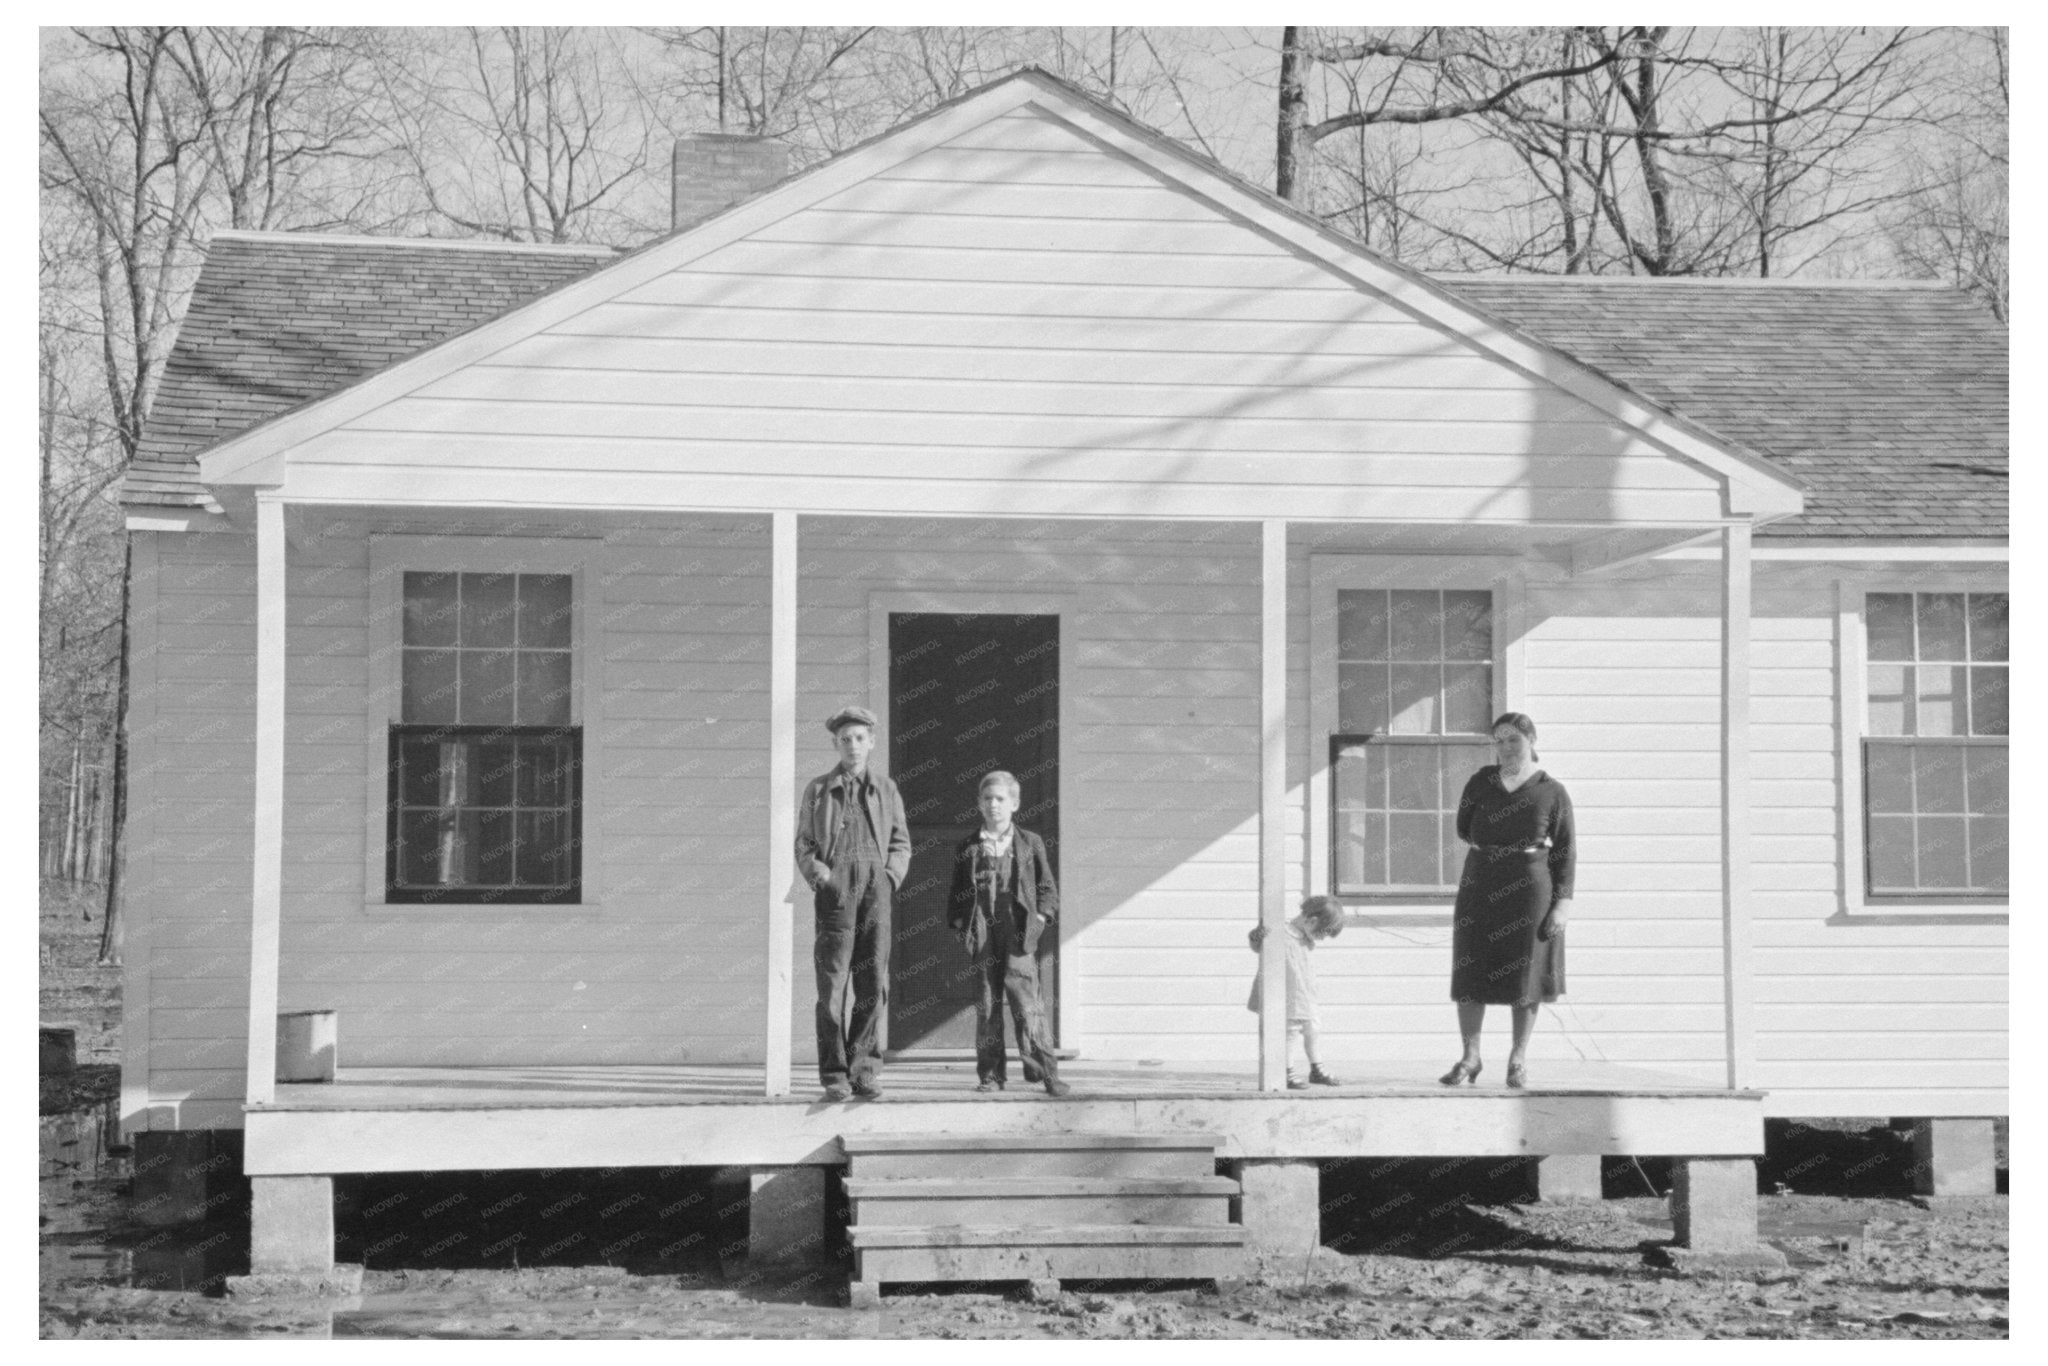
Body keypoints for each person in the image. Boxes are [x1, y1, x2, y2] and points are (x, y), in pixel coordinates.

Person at [1442, 712, 1575, 1090]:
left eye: (1513, 740)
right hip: (1480, 880)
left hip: (1531, 887)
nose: (1505, 748)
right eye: (1499, 741)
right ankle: (1470, 1056)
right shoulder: (1480, 783)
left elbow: (1565, 850)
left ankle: (1517, 1059)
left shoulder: (1552, 791)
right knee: (1471, 967)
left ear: (1531, 740)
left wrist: (1562, 903)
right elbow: (1464, 828)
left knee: (1526, 971)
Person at [795, 706, 911, 1102]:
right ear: (835, 744)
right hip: (836, 894)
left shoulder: (886, 788)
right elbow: (805, 844)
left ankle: (864, 1070)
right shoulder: (818, 789)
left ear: (871, 742)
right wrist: (821, 876)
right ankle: (833, 1074)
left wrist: (891, 875)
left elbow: (900, 841)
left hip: (875, 890)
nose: (853, 746)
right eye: (845, 739)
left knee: (871, 983)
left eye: (860, 738)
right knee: (831, 987)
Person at [947, 771, 1069, 1097]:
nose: (993, 805)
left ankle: (1046, 1074)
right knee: (987, 1005)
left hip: (1019, 933)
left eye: (1000, 799)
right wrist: (964, 928)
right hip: (983, 931)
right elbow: (957, 895)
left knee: (1028, 1004)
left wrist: (1040, 917)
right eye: (987, 799)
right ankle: (990, 1076)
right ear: (979, 804)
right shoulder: (969, 847)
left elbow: (1047, 888)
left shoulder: (1030, 843)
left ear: (1014, 804)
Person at [1246, 895, 1346, 1090]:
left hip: (1304, 994)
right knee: (1290, 1033)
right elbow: (1257, 945)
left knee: (1313, 1029)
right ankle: (1286, 1071)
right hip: (1286, 995)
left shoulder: (1304, 936)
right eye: (1321, 934)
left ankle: (1317, 1068)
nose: (1320, 939)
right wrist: (1257, 935)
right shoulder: (1278, 931)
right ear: (1311, 921)